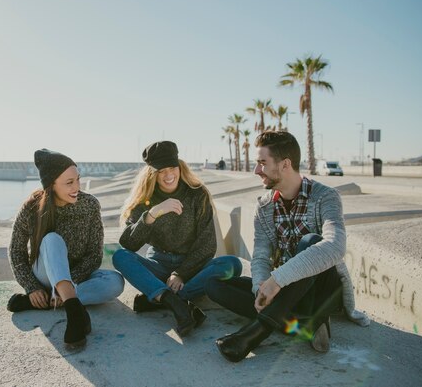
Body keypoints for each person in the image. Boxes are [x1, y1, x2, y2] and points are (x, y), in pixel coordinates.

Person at [205, 131, 369, 362]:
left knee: (311, 241)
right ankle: (306, 327)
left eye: (262, 163)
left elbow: (335, 246)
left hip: (320, 289)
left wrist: (277, 280)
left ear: (285, 164)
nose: (256, 170)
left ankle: (255, 333)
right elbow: (261, 256)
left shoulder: (326, 197)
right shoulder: (263, 207)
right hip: (282, 292)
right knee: (213, 285)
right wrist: (260, 289)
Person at [112, 141, 242, 337]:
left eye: (172, 168)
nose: (168, 175)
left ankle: (160, 297)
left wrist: (180, 273)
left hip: (192, 267)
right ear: (152, 173)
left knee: (232, 264)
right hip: (158, 264)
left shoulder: (197, 194)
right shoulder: (145, 199)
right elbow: (129, 243)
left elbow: (207, 245)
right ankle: (174, 301)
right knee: (120, 257)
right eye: (161, 170)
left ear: (180, 167)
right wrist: (152, 214)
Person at [7, 149, 124, 349]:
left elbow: (95, 255)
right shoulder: (32, 207)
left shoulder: (89, 205)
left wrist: (69, 283)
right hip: (44, 274)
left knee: (115, 282)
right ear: (51, 185)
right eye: (69, 182)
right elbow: (16, 251)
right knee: (52, 239)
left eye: (78, 179)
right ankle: (74, 312)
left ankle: (47, 300)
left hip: (77, 275)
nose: (76, 187)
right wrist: (32, 286)